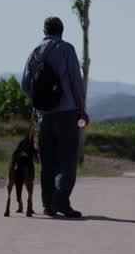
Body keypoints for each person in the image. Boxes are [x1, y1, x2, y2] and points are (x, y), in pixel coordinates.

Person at [23, 16, 89, 218]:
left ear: (44, 31)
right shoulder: (66, 49)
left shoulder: (35, 52)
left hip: (44, 116)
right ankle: (61, 200)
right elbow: (76, 81)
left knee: (48, 161)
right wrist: (81, 107)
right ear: (62, 30)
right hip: (67, 113)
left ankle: (48, 205)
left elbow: (25, 85)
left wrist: (42, 102)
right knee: (68, 159)